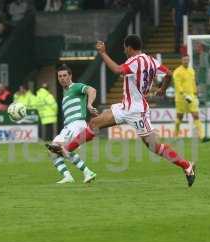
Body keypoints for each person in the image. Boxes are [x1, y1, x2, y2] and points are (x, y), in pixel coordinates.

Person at [46, 35, 196, 187]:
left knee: (154, 147)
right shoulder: (151, 60)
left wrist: (103, 53)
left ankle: (187, 166)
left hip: (137, 112)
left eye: (125, 48)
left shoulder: (134, 61)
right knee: (94, 123)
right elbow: (169, 74)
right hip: (126, 107)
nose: (124, 50)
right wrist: (162, 89)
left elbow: (118, 69)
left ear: (130, 48)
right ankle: (65, 149)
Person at [45, 64, 97, 184]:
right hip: (68, 126)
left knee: (58, 147)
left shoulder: (76, 87)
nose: (62, 78)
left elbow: (92, 90)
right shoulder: (65, 93)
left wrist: (89, 104)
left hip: (77, 124)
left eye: (64, 75)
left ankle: (87, 173)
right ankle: (70, 176)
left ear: (70, 76)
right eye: (60, 76)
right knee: (53, 151)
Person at [173, 55, 210, 142]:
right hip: (181, 98)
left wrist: (195, 92)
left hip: (191, 97)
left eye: (187, 59)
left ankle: (202, 137)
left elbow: (193, 82)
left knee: (196, 115)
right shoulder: (177, 72)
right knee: (179, 118)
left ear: (189, 60)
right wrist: (184, 95)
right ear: (181, 60)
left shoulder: (191, 70)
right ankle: (176, 136)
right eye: (184, 59)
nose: (186, 61)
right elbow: (177, 85)